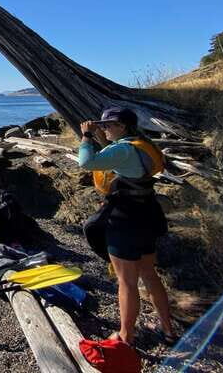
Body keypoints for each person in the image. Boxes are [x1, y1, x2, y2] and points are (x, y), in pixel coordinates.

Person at [79, 107, 175, 346]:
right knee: (150, 275)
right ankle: (168, 330)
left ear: (121, 126)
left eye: (108, 125)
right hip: (146, 214)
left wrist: (86, 137)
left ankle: (125, 335)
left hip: (124, 219)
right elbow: (113, 155)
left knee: (127, 281)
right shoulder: (142, 144)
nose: (104, 129)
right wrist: (100, 137)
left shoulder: (123, 149)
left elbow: (87, 162)